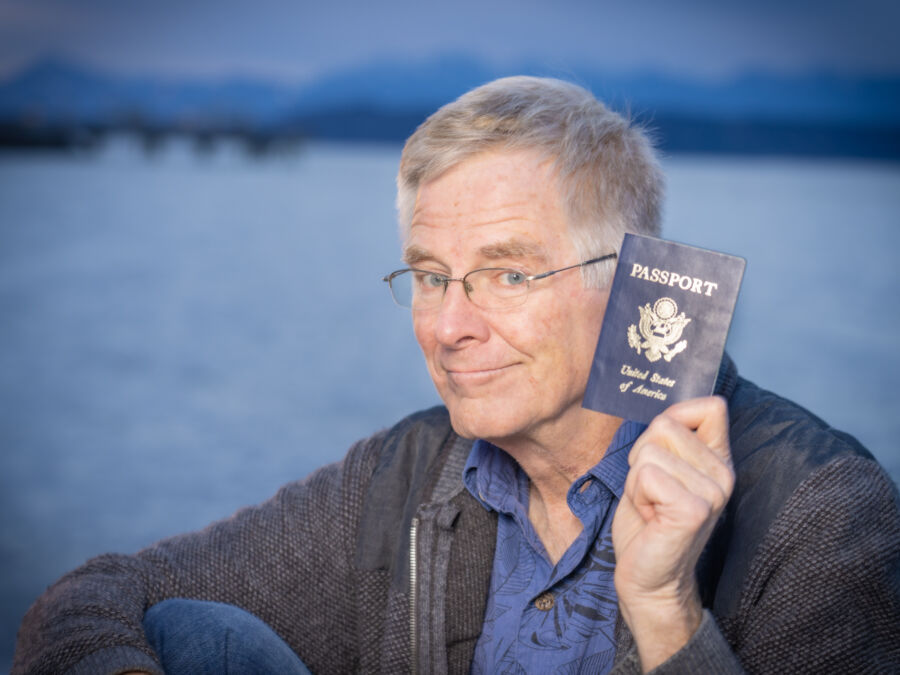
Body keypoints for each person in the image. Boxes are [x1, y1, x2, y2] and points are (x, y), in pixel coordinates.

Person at [13, 76, 900, 675]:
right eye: (431, 275)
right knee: (190, 633)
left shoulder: (820, 513)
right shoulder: (408, 474)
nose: (447, 326)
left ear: (632, 280)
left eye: (509, 274)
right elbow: (92, 596)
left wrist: (665, 606)